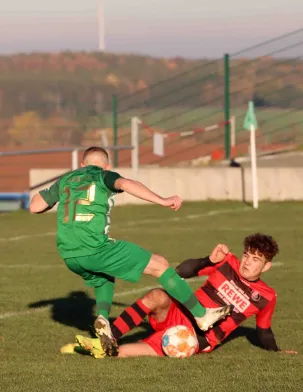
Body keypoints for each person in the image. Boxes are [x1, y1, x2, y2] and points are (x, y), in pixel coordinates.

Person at [29, 146, 231, 356]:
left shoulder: (66, 180)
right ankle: (201, 315)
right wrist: (162, 200)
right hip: (95, 248)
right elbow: (125, 183)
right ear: (107, 166)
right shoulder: (103, 175)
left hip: (69, 255)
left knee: (103, 277)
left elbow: (34, 206)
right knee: (160, 264)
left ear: (82, 164)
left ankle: (103, 319)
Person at [70, 234, 297, 358]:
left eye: (256, 259)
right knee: (157, 295)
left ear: (266, 267)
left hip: (198, 335)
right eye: (247, 255)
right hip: (181, 311)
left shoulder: (267, 296)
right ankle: (109, 335)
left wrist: (277, 352)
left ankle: (103, 351)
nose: (247, 262)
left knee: (130, 353)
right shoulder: (228, 263)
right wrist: (209, 260)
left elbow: (264, 330)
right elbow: (181, 272)